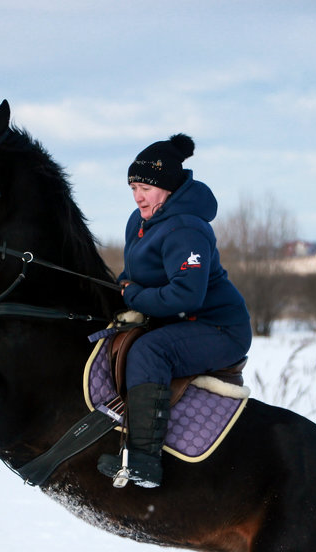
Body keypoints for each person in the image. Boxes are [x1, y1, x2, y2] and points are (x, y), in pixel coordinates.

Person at [97, 134, 252, 489]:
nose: (137, 196)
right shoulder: (139, 222)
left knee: (151, 350)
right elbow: (132, 277)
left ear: (167, 188)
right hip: (181, 321)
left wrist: (134, 297)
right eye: (133, 187)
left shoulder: (186, 228)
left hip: (219, 328)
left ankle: (143, 461)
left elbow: (186, 296)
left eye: (145, 188)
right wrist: (122, 290)